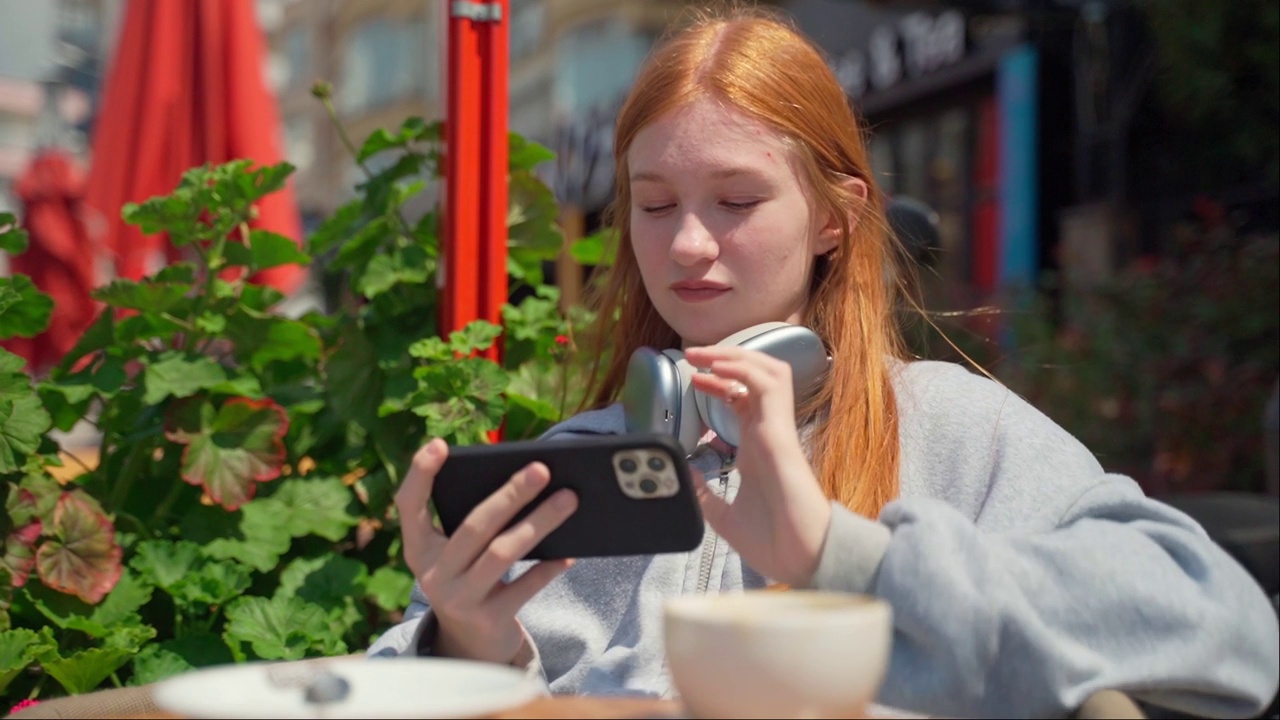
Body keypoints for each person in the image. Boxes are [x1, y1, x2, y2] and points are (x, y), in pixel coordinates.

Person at [370, 8, 1280, 717]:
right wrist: (463, 644)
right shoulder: (582, 462)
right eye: (653, 205)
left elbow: (1229, 631)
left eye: (736, 199)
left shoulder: (952, 427)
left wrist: (844, 559)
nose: (688, 244)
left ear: (835, 217)